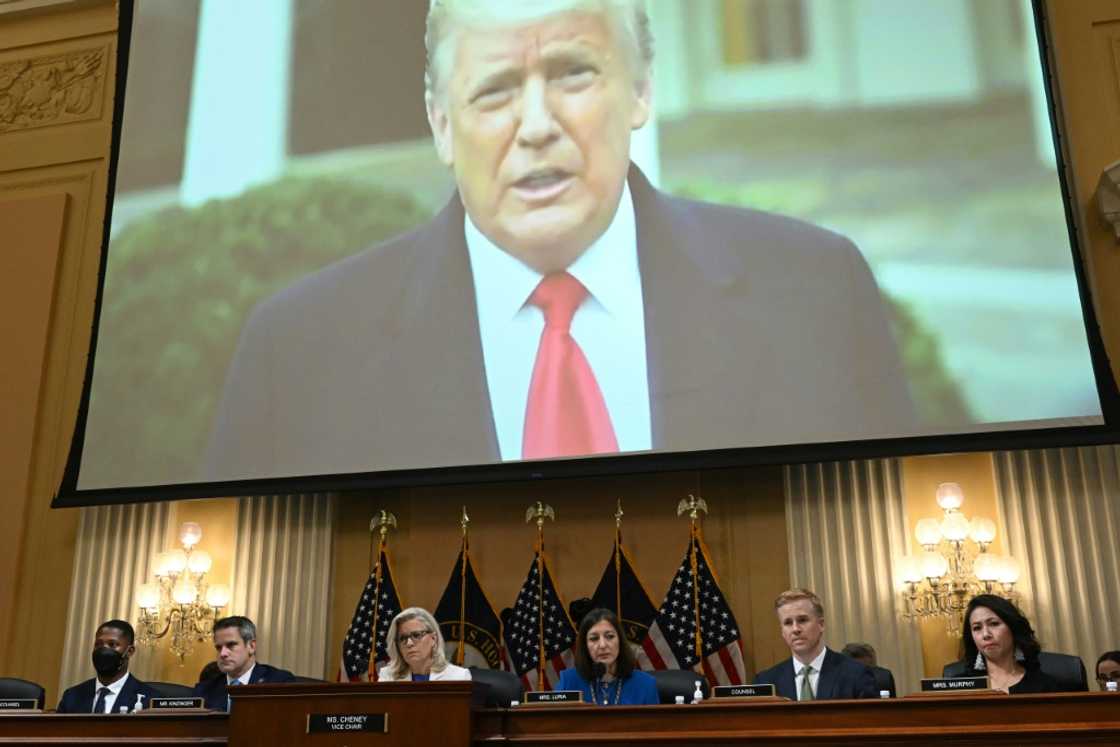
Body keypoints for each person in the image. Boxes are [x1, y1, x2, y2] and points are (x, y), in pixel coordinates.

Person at [203, 0, 913, 482]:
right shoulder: (295, 352)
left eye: (573, 73)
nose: (537, 123)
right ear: (442, 125)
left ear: (639, 92)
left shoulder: (816, 289)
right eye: (495, 90)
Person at [753, 589, 878, 700]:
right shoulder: (766, 682)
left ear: (821, 624)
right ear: (782, 631)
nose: (795, 629)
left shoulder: (856, 674)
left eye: (802, 620)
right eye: (788, 623)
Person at [958, 594, 1059, 694]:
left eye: (994, 624)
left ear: (1013, 628)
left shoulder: (1047, 686)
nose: (986, 634)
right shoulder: (958, 687)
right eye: (977, 628)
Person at [193, 615, 296, 711]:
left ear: (251, 646)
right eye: (219, 647)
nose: (223, 654)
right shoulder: (204, 690)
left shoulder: (279, 683)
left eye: (231, 645)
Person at [558, 608, 657, 705]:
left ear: (620, 641)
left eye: (609, 636)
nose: (602, 645)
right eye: (594, 638)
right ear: (585, 646)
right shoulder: (568, 681)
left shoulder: (646, 684)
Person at [56, 619, 156, 713]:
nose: (103, 650)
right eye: (98, 644)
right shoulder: (72, 697)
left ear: (130, 651)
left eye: (112, 644)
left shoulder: (150, 700)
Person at [377, 607, 472, 681]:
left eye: (416, 635)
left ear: (433, 639)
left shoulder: (458, 677)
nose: (409, 643)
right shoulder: (388, 677)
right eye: (403, 638)